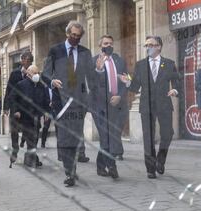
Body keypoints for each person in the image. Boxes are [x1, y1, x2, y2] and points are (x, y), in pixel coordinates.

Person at [42, 21, 96, 187]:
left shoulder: (85, 53)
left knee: (75, 137)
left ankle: (72, 167)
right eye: (73, 35)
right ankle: (69, 172)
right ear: (67, 34)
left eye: (79, 36)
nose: (76, 38)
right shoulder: (55, 50)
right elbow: (45, 74)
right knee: (65, 137)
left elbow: (91, 77)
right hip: (61, 102)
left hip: (79, 102)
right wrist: (52, 81)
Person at [124, 36, 181, 179]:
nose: (148, 48)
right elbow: (136, 86)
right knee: (148, 137)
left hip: (164, 104)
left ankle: (160, 160)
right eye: (146, 45)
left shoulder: (169, 64)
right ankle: (150, 168)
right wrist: (127, 83)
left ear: (159, 47)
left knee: (168, 134)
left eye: (151, 45)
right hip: (146, 105)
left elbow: (177, 82)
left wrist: (175, 90)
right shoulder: (140, 65)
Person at [92, 35, 129, 179]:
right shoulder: (94, 61)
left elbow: (126, 81)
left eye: (111, 43)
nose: (109, 45)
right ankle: (112, 166)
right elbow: (92, 85)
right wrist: (99, 70)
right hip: (100, 106)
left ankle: (100, 166)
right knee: (105, 136)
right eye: (106, 43)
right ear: (100, 45)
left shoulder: (119, 61)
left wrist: (120, 95)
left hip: (117, 104)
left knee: (112, 137)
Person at [12, 65, 50, 167]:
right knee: (30, 138)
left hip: (36, 117)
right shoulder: (21, 85)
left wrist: (46, 112)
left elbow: (46, 101)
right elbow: (14, 99)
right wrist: (16, 111)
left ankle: (31, 157)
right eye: (34, 73)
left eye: (38, 73)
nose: (37, 75)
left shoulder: (41, 86)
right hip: (25, 117)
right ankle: (30, 159)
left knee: (35, 137)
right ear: (28, 73)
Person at [3, 51, 33, 163]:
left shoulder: (33, 73)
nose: (28, 63)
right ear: (22, 60)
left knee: (29, 129)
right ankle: (15, 148)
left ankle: (29, 152)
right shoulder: (14, 73)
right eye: (27, 61)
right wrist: (6, 106)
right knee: (14, 130)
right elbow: (9, 90)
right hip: (15, 106)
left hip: (28, 108)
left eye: (30, 61)